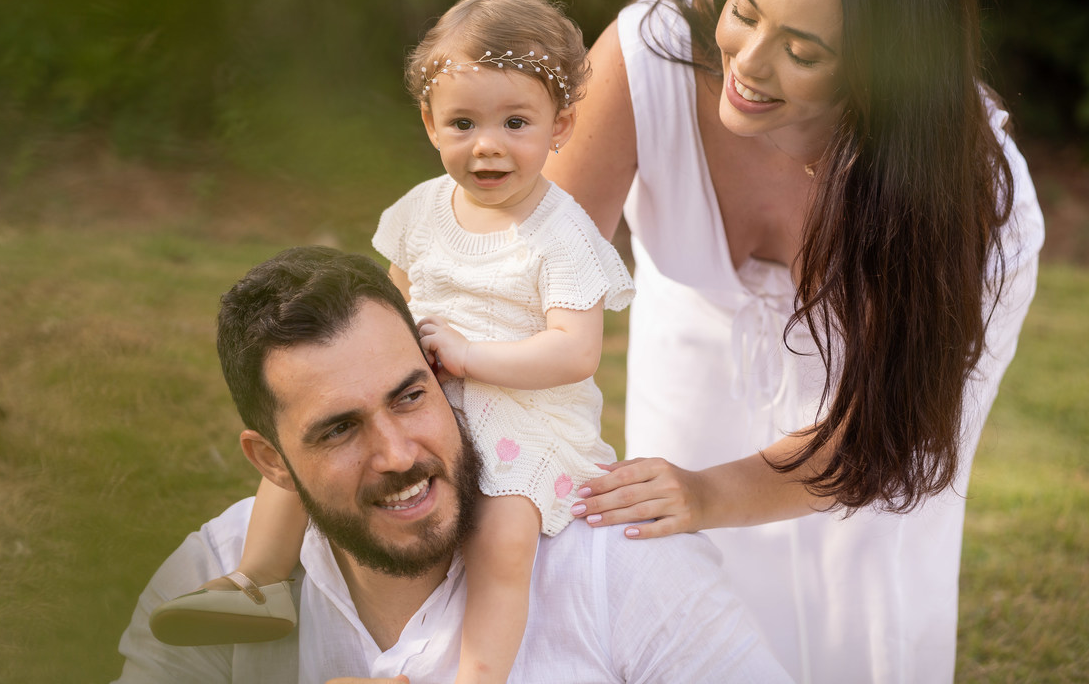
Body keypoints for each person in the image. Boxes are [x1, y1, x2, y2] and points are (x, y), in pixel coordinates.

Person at [545, 0, 1045, 681]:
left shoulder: (973, 199)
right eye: (744, 9)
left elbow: (888, 439)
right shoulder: (651, 56)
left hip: (875, 427)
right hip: (693, 354)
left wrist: (710, 492)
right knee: (682, 598)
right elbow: (534, 271)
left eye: (803, 52)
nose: (746, 61)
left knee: (858, 610)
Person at [149, 0, 634, 683]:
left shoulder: (562, 235)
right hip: (421, 390)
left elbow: (575, 352)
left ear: (560, 126)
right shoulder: (422, 209)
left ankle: (477, 674)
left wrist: (470, 357)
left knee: (503, 541)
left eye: (515, 125)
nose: (487, 147)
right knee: (305, 447)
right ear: (431, 123)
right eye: (463, 124)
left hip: (523, 416)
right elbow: (389, 308)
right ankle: (258, 582)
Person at [112, 246, 791, 682]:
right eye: (341, 429)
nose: (399, 454)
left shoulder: (624, 561)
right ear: (273, 462)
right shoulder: (210, 578)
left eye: (410, 397)